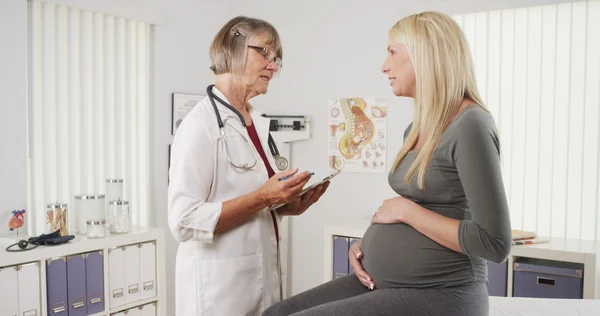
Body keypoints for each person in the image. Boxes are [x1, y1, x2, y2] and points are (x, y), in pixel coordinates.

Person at [263, 11, 512, 316]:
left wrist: (407, 211)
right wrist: (366, 250)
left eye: (393, 52)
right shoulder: (418, 128)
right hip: (383, 281)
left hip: (443, 294)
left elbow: (495, 242)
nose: (384, 66)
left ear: (425, 57)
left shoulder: (471, 124)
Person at [168, 16, 330, 315]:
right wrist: (264, 198)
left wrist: (284, 206)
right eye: (265, 52)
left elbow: (254, 201)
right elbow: (184, 220)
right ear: (233, 48)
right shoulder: (199, 126)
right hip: (218, 290)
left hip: (259, 279)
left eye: (276, 57)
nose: (274, 65)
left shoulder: (258, 122)